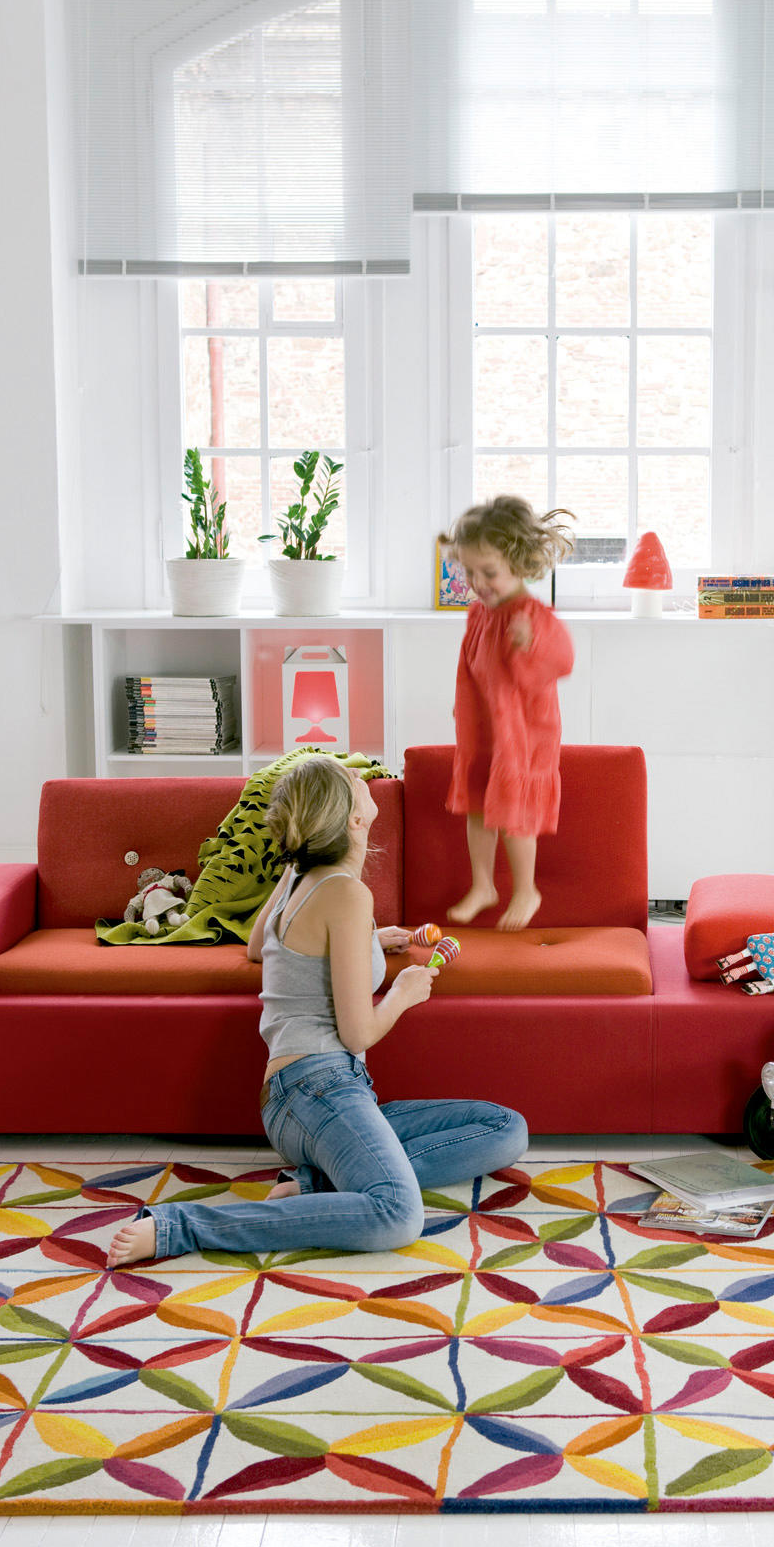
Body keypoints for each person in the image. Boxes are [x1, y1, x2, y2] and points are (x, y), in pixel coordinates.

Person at [106, 754, 528, 1268]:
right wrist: (404, 992)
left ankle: (315, 1185)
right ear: (354, 818)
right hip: (319, 1088)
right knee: (397, 1214)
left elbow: (260, 947)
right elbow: (357, 1034)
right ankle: (184, 1226)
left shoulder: (301, 878)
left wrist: (367, 941)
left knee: (506, 1127)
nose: (361, 777)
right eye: (352, 780)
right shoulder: (346, 893)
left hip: (301, 1098)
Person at [445, 495, 576, 930]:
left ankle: (525, 889)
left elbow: (561, 661)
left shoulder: (533, 616)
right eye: (469, 572)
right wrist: (463, 706)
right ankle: (483, 885)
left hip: (524, 733)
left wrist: (530, 643)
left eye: (489, 572)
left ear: (518, 564)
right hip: (483, 730)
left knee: (514, 811)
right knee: (477, 806)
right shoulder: (479, 613)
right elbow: (471, 663)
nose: (477, 582)